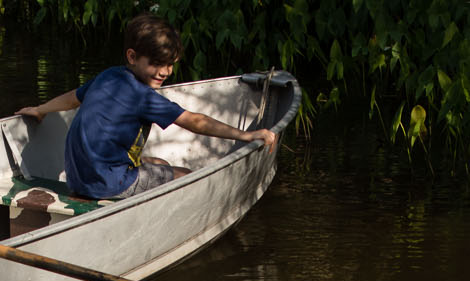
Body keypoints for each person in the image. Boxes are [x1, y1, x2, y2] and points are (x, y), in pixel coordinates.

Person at [15, 13, 277, 200]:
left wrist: (40, 109)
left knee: (158, 162)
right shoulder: (143, 96)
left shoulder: (109, 76)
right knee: (184, 174)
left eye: (170, 64)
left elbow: (73, 97)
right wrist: (246, 134)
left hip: (77, 179)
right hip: (108, 183)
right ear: (132, 56)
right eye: (157, 64)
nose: (165, 72)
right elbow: (193, 121)